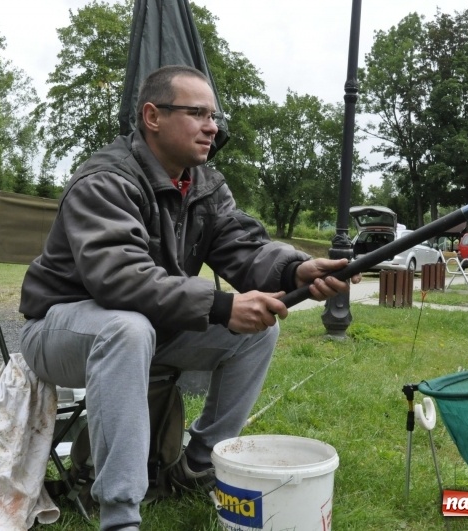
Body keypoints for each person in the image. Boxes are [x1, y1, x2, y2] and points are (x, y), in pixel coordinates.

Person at [18, 65, 359, 531]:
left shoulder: (203, 184)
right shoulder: (106, 179)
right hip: (59, 332)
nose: (212, 126)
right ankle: (120, 516)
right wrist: (221, 306)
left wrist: (294, 269)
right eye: (197, 113)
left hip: (150, 327)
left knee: (257, 332)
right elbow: (119, 278)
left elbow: (242, 247)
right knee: (127, 328)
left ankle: (197, 466)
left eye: (213, 115)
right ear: (152, 116)